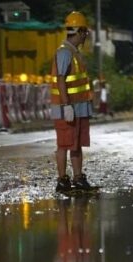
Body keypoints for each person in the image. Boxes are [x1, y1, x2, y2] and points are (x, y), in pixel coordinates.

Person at [50, 11, 96, 193]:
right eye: (84, 32)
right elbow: (60, 79)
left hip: (79, 108)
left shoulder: (75, 53)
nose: (85, 36)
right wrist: (66, 105)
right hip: (66, 109)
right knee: (64, 145)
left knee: (76, 145)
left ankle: (78, 177)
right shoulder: (64, 53)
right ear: (78, 31)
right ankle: (62, 179)